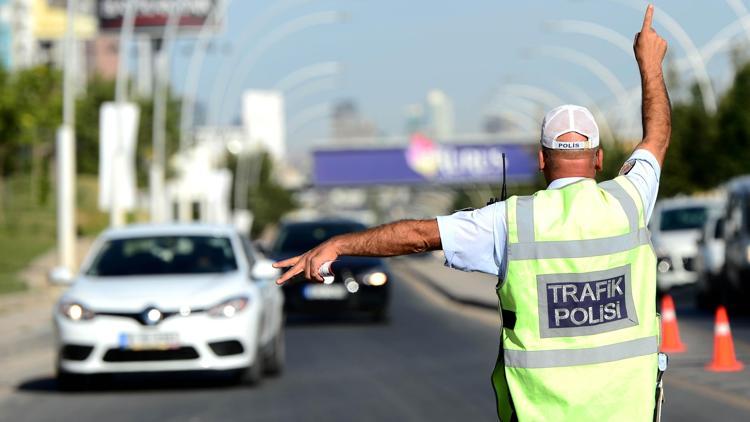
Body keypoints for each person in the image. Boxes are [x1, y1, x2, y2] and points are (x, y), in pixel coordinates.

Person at [274, 4, 669, 421]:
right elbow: (657, 135)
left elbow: (418, 235)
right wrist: (649, 63)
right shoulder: (630, 201)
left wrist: (339, 244)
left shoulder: (511, 221)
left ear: (541, 159)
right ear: (599, 158)